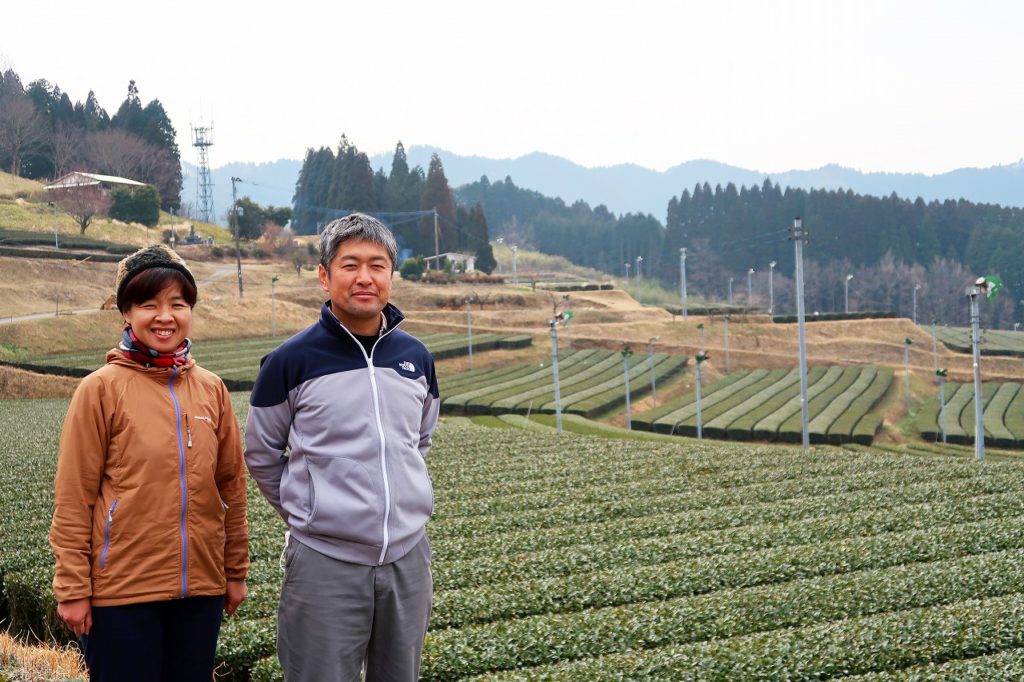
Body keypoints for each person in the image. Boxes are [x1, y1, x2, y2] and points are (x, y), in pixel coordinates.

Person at [245, 213, 439, 681]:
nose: (365, 278)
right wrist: (309, 513)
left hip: (407, 557)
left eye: (378, 265)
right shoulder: (292, 360)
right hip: (324, 562)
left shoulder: (416, 357)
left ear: (392, 275)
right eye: (350, 265)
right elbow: (261, 451)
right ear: (324, 275)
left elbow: (420, 438)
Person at [50, 244, 250, 681]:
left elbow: (231, 486)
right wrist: (72, 588)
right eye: (149, 304)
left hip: (199, 591)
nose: (165, 316)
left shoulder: (212, 390)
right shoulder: (100, 390)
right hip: (121, 594)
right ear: (127, 313)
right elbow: (73, 496)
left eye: (178, 304)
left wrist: (234, 571)